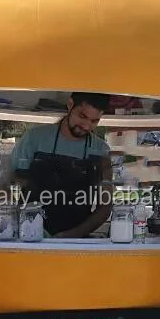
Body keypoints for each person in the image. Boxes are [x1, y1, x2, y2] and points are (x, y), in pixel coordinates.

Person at [10, 91, 114, 238]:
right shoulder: (34, 139)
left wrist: (70, 236)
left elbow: (105, 207)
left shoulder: (101, 151)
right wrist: (16, 222)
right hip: (29, 235)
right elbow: (6, 184)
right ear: (70, 104)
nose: (86, 126)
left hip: (76, 238)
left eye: (94, 121)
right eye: (82, 116)